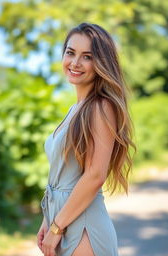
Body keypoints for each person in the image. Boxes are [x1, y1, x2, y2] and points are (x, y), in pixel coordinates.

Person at [37, 22, 136, 256]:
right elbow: (63, 175)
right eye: (70, 53)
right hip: (63, 219)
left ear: (101, 63)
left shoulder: (101, 107)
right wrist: (47, 220)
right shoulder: (76, 109)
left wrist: (56, 227)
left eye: (87, 56)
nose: (75, 63)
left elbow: (94, 175)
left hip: (84, 229)